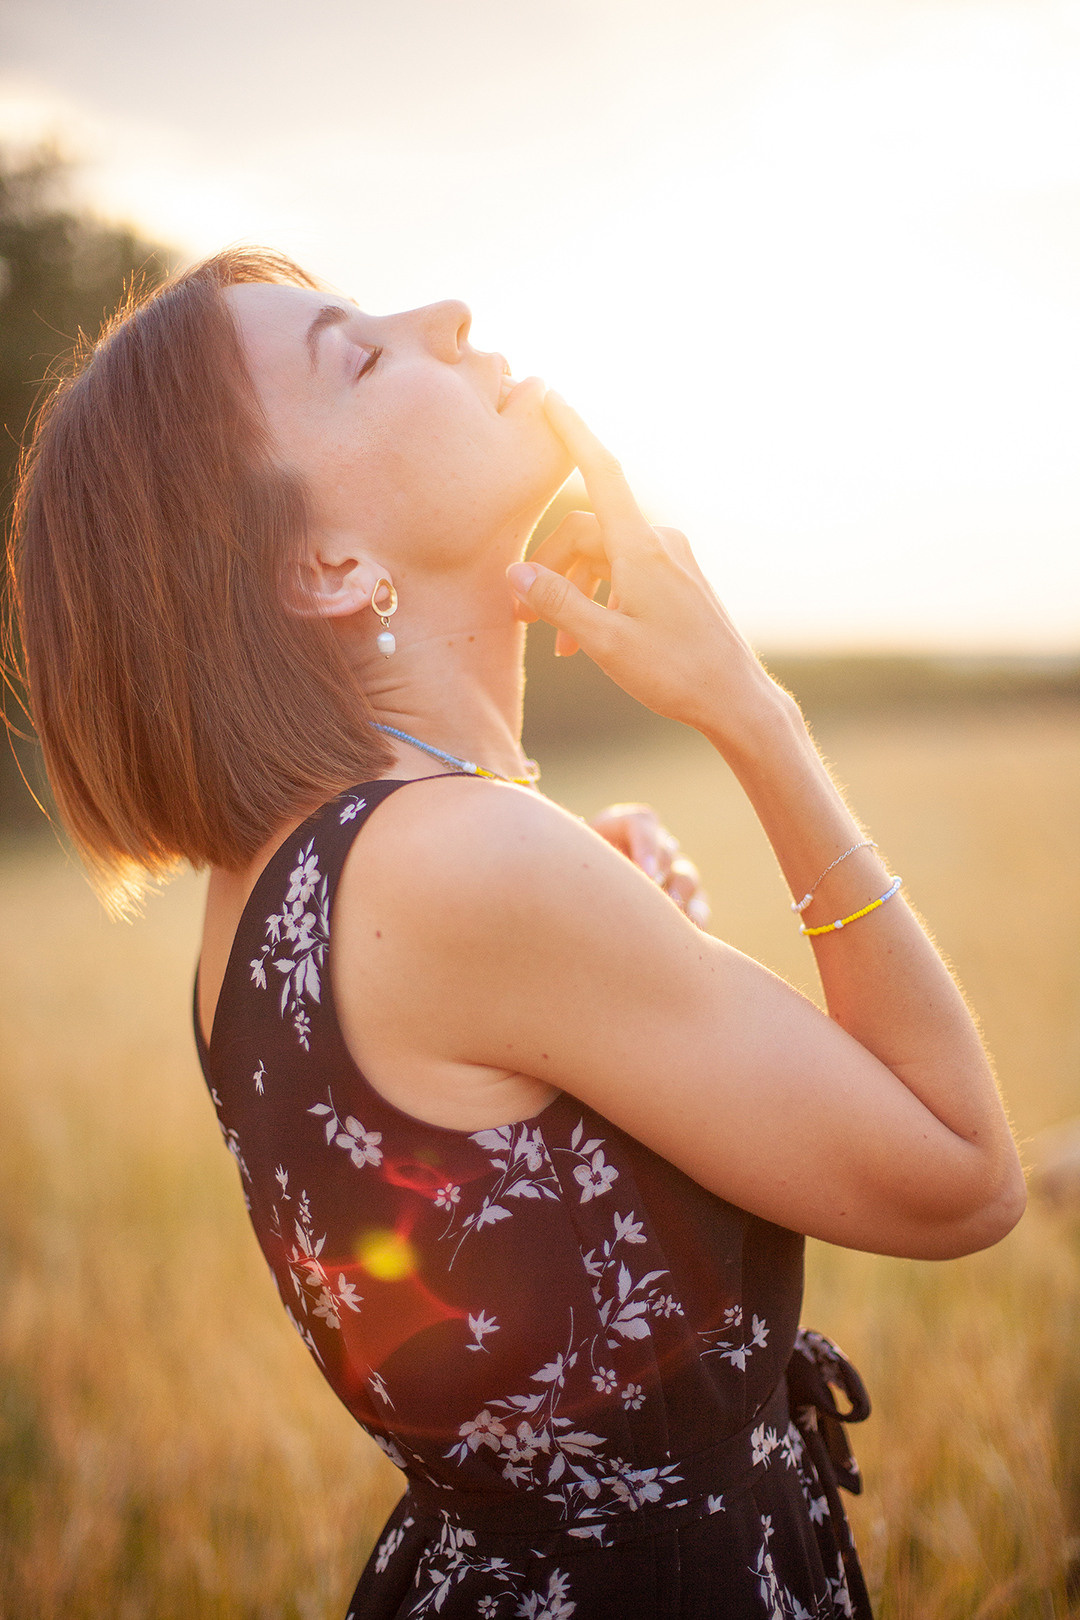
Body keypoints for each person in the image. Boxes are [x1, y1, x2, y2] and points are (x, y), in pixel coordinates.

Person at [9, 247, 1026, 1619]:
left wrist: (599, 938)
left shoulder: (285, 882)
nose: (444, 315)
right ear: (326, 564)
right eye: (360, 354)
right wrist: (752, 710)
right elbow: (965, 1178)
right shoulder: (460, 863)